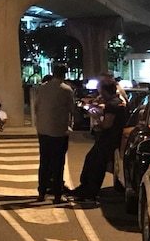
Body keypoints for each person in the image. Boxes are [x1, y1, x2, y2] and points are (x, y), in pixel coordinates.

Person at [68, 79, 128, 203]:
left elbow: (107, 124)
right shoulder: (119, 102)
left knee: (95, 163)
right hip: (114, 138)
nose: (99, 93)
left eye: (100, 90)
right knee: (94, 162)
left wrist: (96, 118)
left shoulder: (112, 104)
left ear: (105, 91)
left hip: (108, 138)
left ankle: (89, 192)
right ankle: (86, 189)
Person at [35, 64, 74, 203]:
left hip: (43, 130)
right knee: (58, 163)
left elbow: (36, 107)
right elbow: (72, 109)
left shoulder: (42, 88)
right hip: (59, 131)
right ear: (65, 74)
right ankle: (57, 195)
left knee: (44, 161)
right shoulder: (66, 90)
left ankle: (41, 192)